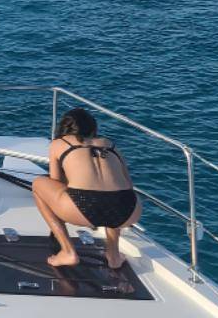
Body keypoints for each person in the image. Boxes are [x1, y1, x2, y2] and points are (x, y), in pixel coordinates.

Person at [32, 107, 142, 269]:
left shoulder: (59, 143)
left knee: (38, 185)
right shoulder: (110, 144)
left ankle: (68, 251)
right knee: (113, 192)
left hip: (83, 207)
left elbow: (56, 182)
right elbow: (128, 183)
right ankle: (113, 255)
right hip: (129, 209)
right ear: (93, 128)